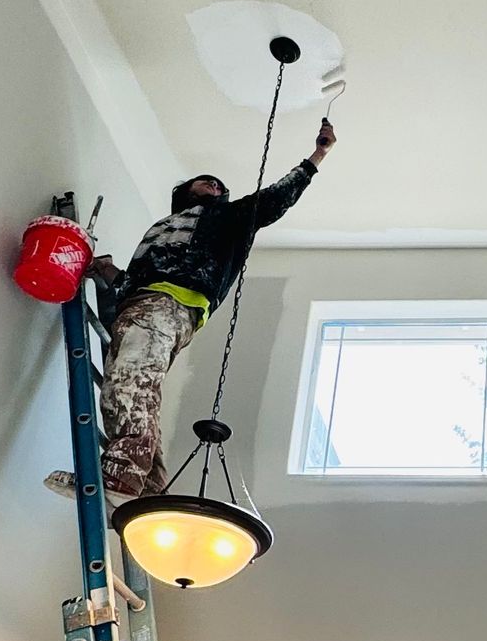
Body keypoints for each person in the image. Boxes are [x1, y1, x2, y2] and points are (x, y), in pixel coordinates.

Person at [76, 117, 336, 499]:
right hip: (145, 304)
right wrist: (106, 269)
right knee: (135, 387)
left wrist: (317, 155)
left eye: (220, 186)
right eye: (206, 180)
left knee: (130, 380)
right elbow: (133, 282)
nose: (215, 185)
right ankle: (148, 493)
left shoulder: (224, 218)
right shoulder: (163, 226)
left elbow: (274, 200)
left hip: (171, 304)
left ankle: (122, 472)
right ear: (183, 191)